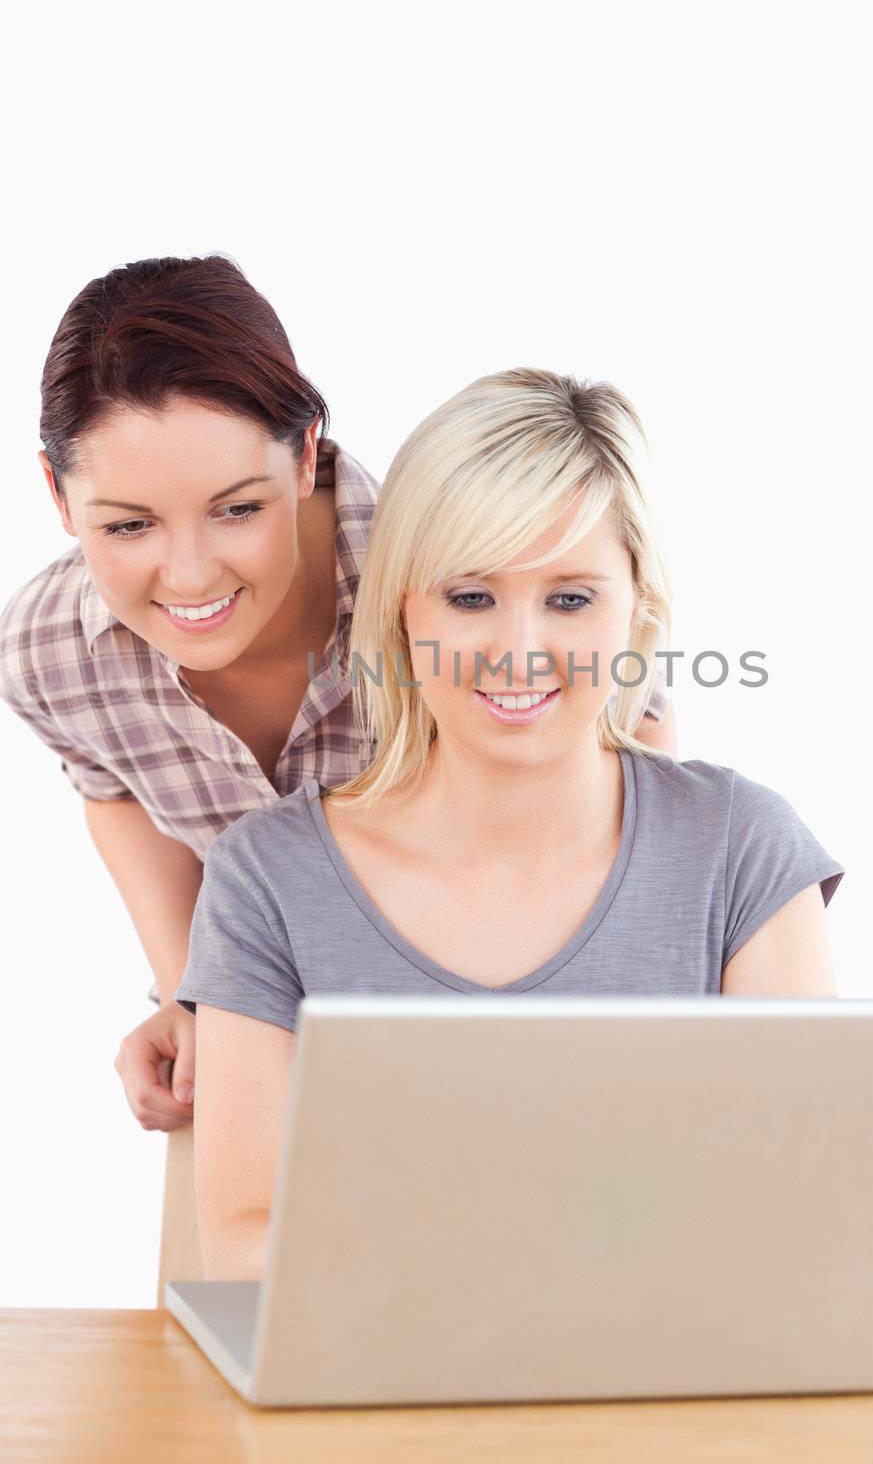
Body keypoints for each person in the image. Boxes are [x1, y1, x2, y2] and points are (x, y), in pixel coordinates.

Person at [0, 260, 675, 1286]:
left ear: (307, 452)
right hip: (260, 1093)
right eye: (127, 525)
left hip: (514, 1076)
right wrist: (193, 993)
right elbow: (113, 789)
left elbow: (618, 744)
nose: (187, 575)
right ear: (57, 495)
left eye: (237, 509)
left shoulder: (444, 578)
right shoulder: (47, 650)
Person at [173, 368, 845, 1280]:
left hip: (672, 1406)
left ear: (635, 610)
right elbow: (243, 1244)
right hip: (372, 1407)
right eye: (469, 596)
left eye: (570, 600)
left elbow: (805, 1217)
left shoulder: (740, 848)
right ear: (401, 611)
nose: (518, 652)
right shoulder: (267, 877)